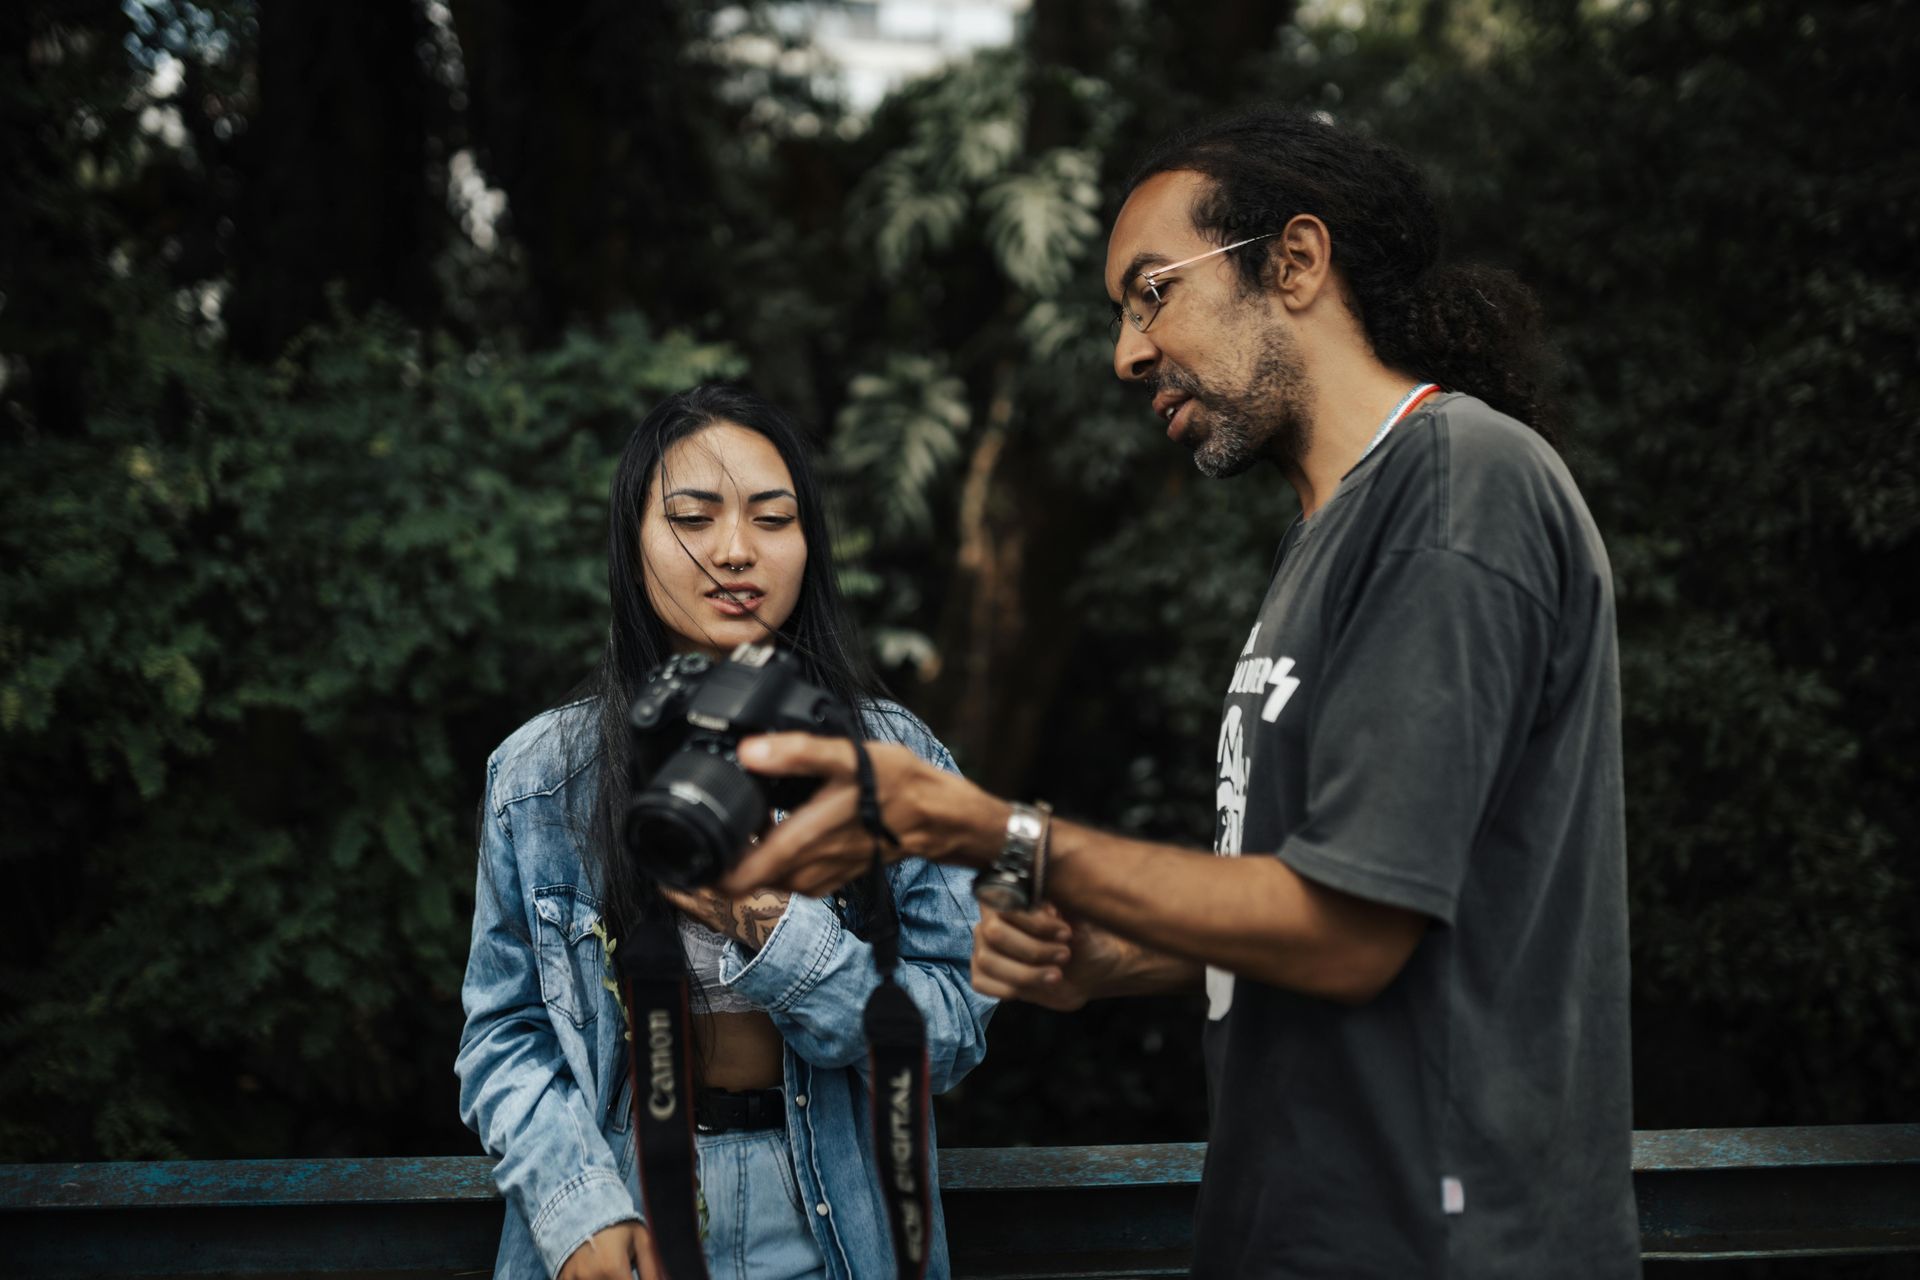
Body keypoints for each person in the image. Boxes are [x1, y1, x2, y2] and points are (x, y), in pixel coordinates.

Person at [716, 108, 1640, 1278]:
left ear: (1295, 262)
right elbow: (1352, 896)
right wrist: (1123, 951)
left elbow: (1353, 934)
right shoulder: (1332, 531)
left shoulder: (1459, 488)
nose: (1127, 351)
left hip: (1443, 1240)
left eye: (1151, 289)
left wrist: (998, 833)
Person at [455, 384, 994, 1280]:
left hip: (839, 1215)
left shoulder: (893, 762)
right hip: (622, 1208)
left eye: (772, 519)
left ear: (807, 546)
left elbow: (951, 1036)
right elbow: (502, 1036)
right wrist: (573, 1210)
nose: (735, 552)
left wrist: (775, 925)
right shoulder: (543, 774)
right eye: (693, 519)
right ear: (634, 545)